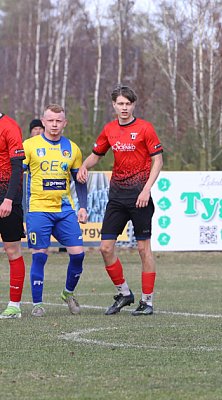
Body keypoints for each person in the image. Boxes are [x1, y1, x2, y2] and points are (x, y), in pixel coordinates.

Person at [77, 85, 163, 316]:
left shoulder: (145, 128)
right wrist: (84, 166)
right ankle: (124, 293)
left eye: (128, 104)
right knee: (105, 248)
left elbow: (158, 161)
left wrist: (146, 190)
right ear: (114, 105)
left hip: (140, 198)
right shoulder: (109, 129)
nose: (124, 108)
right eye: (120, 104)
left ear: (133, 105)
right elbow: (96, 155)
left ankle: (147, 301)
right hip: (116, 198)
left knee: (143, 249)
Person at [23, 104, 88, 317]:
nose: (54, 124)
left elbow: (80, 180)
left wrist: (83, 206)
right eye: (50, 120)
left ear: (64, 123)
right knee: (40, 256)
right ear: (43, 122)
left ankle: (67, 293)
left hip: (65, 210)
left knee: (78, 255)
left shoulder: (72, 148)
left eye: (58, 121)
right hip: (38, 210)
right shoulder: (29, 146)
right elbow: (16, 174)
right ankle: (37, 304)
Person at [0, 113, 26, 319]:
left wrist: (8, 199)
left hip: (7, 198)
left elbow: (18, 167)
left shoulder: (9, 126)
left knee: (12, 249)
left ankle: (14, 305)